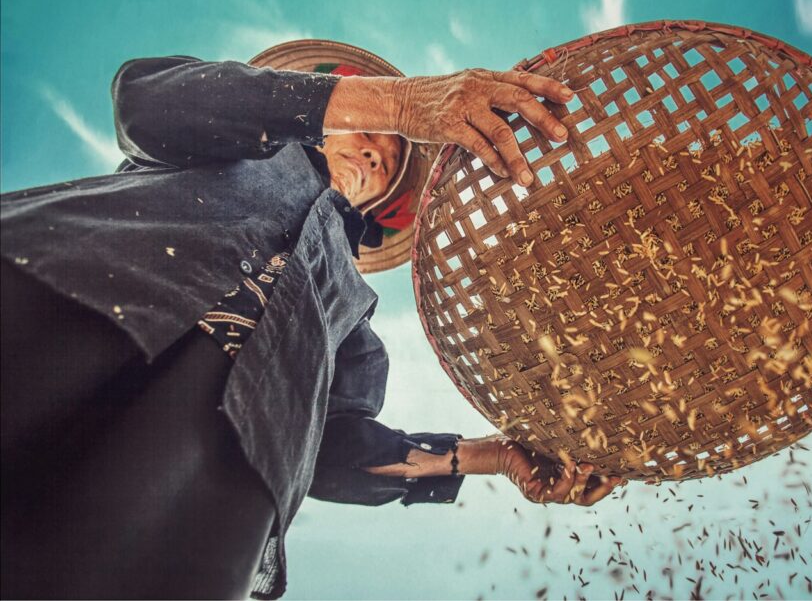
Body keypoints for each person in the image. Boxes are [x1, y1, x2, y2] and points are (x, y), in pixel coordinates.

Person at [0, 40, 622, 600]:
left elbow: (332, 454)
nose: (379, 151)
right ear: (319, 125)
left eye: (391, 161)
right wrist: (403, 105)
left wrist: (495, 457)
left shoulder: (351, 317)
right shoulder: (219, 143)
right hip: (48, 303)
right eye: (369, 132)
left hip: (196, 481)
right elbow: (143, 99)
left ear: (386, 207)